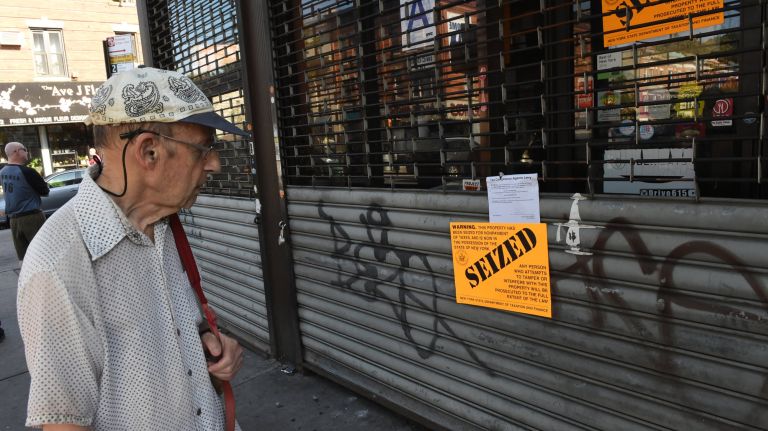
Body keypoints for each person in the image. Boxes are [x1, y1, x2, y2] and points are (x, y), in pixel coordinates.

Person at [17, 67, 249, 430]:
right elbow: (65, 424)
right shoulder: (58, 264)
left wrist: (209, 347)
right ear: (149, 151)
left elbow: (173, 339)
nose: (215, 163)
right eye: (204, 149)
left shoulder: (163, 221)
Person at [0, 142, 49, 262]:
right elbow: (45, 192)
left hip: (13, 220)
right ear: (16, 151)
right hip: (32, 217)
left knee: (24, 258)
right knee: (42, 254)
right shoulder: (28, 172)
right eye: (24, 149)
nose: (27, 152)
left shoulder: (2, 172)